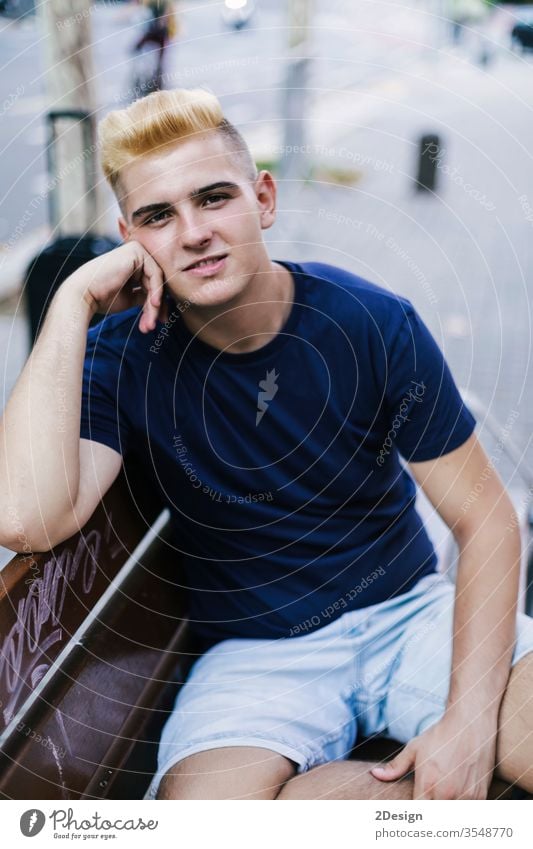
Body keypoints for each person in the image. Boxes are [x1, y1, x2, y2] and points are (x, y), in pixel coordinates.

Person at [1, 88, 532, 801]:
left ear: (264, 199)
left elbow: (487, 519)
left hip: (410, 614)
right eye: (159, 216)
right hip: (255, 659)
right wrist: (74, 300)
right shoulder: (119, 358)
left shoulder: (369, 324)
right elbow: (27, 518)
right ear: (133, 237)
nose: (192, 232)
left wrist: (469, 723)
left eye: (213, 198)